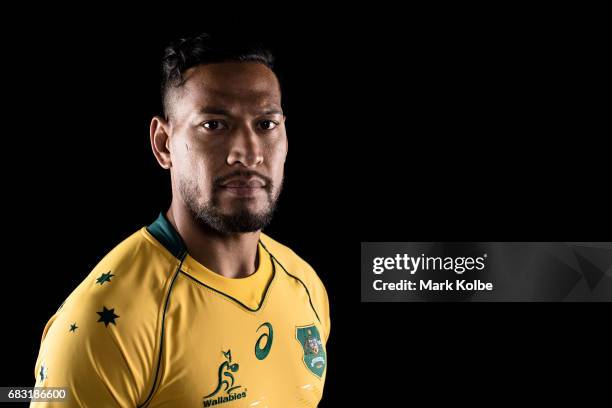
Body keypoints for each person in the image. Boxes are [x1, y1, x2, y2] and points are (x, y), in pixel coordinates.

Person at [31, 33, 330, 407]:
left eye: (265, 124)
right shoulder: (104, 326)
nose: (248, 153)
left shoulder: (305, 285)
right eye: (214, 125)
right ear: (163, 143)